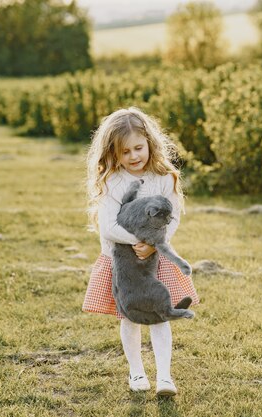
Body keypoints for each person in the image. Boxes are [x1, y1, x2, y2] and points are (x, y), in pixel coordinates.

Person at [82, 107, 199, 396]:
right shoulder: (112, 180)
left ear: (149, 142)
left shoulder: (164, 177)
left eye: (138, 148)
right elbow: (108, 227)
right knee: (130, 317)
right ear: (113, 153)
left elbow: (171, 218)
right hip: (122, 263)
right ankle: (136, 373)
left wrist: (154, 245)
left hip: (155, 261)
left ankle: (165, 377)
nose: (134, 156)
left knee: (159, 315)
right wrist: (140, 241)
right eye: (125, 152)